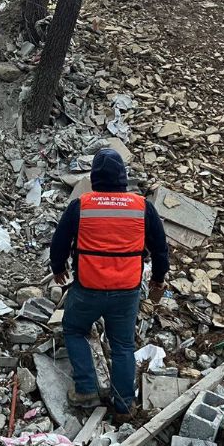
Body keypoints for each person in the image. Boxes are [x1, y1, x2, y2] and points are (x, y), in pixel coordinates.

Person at [49, 148, 169, 419]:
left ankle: (86, 390)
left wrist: (58, 268)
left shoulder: (82, 204)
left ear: (94, 178)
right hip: (126, 292)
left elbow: (59, 242)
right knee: (123, 345)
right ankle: (125, 405)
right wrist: (158, 280)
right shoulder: (141, 207)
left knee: (74, 329)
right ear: (123, 178)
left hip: (88, 288)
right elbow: (160, 249)